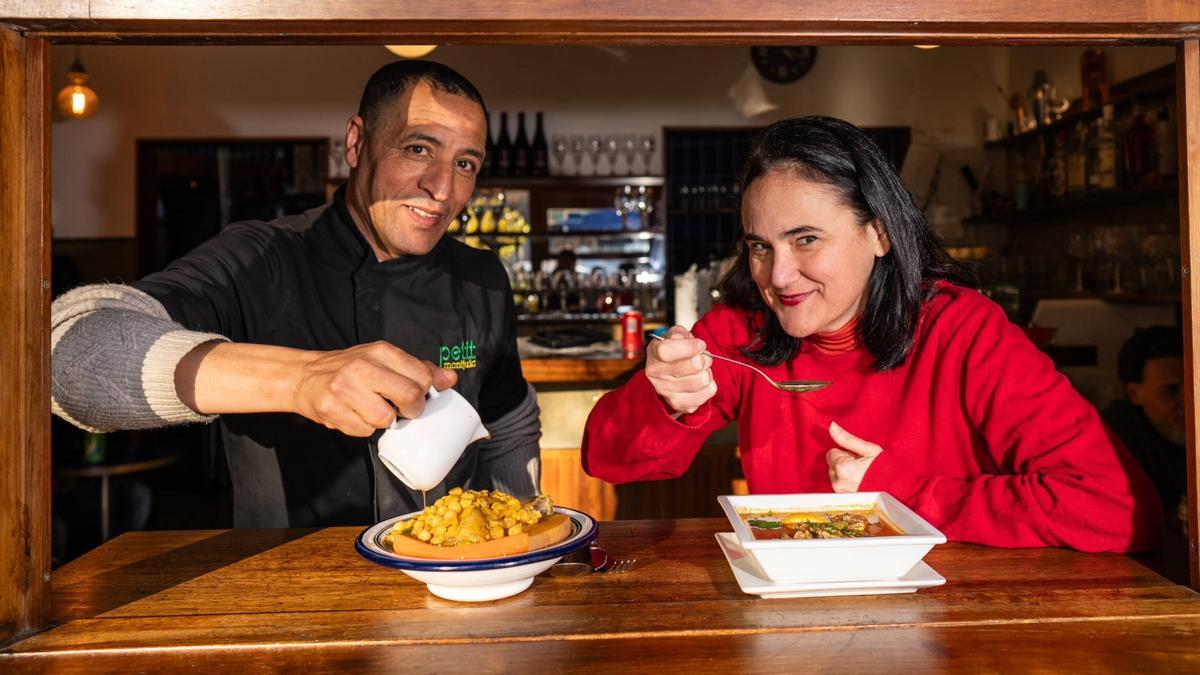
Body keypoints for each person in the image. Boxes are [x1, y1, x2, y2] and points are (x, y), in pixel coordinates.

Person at [582, 115, 1161, 553]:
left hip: (957, 615)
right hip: (794, 611)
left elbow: (1117, 508)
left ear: (879, 234)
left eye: (807, 239)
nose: (777, 276)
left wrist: (899, 493)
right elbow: (607, 458)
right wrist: (664, 398)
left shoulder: (962, 331)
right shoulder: (742, 330)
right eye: (761, 246)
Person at [51, 60, 541, 528]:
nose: (442, 188)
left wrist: (524, 541)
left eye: (466, 163)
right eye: (418, 149)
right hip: (290, 587)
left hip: (449, 582)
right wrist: (299, 379)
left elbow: (509, 418)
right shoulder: (263, 258)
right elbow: (66, 356)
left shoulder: (481, 277)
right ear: (356, 143)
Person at [1101, 326, 1186, 524]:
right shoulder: (1111, 440)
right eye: (1170, 391)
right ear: (1134, 394)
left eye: (1195, 386)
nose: (1189, 402)